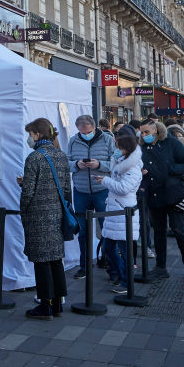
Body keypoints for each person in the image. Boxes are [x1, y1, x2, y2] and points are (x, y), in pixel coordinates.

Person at [20, 118, 71, 319]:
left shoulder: (34, 158)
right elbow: (67, 189)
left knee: (41, 262)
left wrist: (24, 209)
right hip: (57, 214)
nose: (29, 138)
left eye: (30, 134)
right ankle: (58, 304)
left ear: (37, 134)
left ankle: (45, 305)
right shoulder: (60, 155)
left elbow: (29, 192)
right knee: (56, 259)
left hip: (38, 214)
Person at [139, 119, 184, 281]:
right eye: (141, 133)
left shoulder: (171, 143)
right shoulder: (143, 148)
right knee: (159, 232)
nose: (144, 136)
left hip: (173, 194)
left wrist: (171, 169)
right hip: (154, 195)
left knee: (179, 230)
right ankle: (160, 266)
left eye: (146, 132)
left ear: (155, 130)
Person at [66, 114, 114, 278]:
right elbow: (67, 162)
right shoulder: (73, 140)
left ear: (95, 128)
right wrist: (77, 165)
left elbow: (115, 163)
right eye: (82, 131)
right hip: (81, 191)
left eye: (88, 131)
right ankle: (84, 267)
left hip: (102, 190)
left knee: (107, 230)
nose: (85, 134)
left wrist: (99, 165)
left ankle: (111, 266)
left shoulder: (107, 139)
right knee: (83, 232)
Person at [94, 133, 142, 293]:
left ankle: (126, 282)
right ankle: (117, 275)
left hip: (124, 213)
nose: (116, 150)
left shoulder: (133, 169)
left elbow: (123, 189)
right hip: (114, 212)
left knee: (125, 251)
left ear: (126, 149)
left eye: (119, 147)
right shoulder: (120, 164)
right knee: (108, 247)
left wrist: (105, 181)